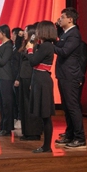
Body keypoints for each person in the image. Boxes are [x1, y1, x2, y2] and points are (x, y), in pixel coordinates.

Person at [53, 7, 87, 150]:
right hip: (64, 74)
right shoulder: (66, 33)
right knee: (67, 107)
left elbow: (64, 51)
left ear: (70, 19)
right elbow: (60, 44)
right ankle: (70, 134)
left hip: (70, 75)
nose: (59, 19)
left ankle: (80, 138)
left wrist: (50, 45)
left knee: (73, 107)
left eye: (62, 17)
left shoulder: (74, 34)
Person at [26, 21, 57, 153]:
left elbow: (33, 61)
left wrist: (30, 49)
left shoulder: (46, 46)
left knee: (45, 115)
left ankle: (47, 146)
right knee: (43, 115)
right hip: (39, 79)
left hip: (42, 81)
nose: (36, 32)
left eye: (38, 30)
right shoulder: (43, 45)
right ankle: (46, 146)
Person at [16, 24, 43, 141]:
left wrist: (33, 81)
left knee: (30, 105)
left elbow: (35, 63)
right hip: (23, 77)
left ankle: (34, 132)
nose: (24, 33)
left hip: (30, 77)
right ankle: (26, 131)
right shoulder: (26, 45)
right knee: (24, 105)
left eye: (26, 31)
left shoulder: (35, 46)